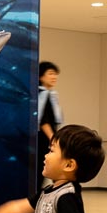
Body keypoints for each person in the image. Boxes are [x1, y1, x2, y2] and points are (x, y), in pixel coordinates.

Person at [37, 61, 63, 191]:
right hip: (43, 140)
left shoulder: (50, 95)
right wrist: (53, 140)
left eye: (55, 74)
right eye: (50, 74)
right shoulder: (42, 95)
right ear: (41, 76)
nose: (54, 77)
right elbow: (43, 122)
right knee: (41, 171)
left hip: (47, 140)